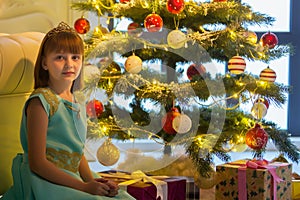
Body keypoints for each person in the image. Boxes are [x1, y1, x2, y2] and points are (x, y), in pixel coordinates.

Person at [2, 22, 135, 200]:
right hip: (44, 181)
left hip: (73, 179)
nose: (69, 64)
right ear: (44, 63)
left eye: (75, 57)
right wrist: (84, 187)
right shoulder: (40, 102)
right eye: (59, 57)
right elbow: (37, 163)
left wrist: (96, 183)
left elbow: (76, 152)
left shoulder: (76, 102)